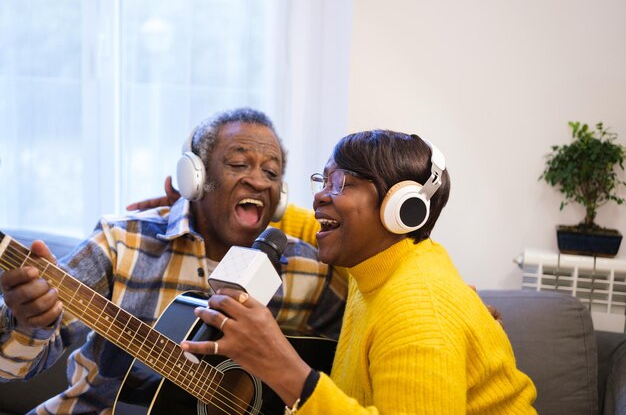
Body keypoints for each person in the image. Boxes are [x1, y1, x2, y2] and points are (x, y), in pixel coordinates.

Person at [0, 108, 347, 414]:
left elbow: (344, 368)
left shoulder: (307, 271)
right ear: (194, 178)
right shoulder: (122, 243)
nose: (258, 180)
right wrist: (27, 320)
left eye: (271, 174)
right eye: (239, 164)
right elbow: (11, 368)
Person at [179, 129, 538, 414]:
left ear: (400, 209)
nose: (321, 197)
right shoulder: (374, 268)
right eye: (323, 181)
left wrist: (280, 366)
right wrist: (200, 199)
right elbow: (303, 223)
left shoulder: (418, 311)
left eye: (341, 184)